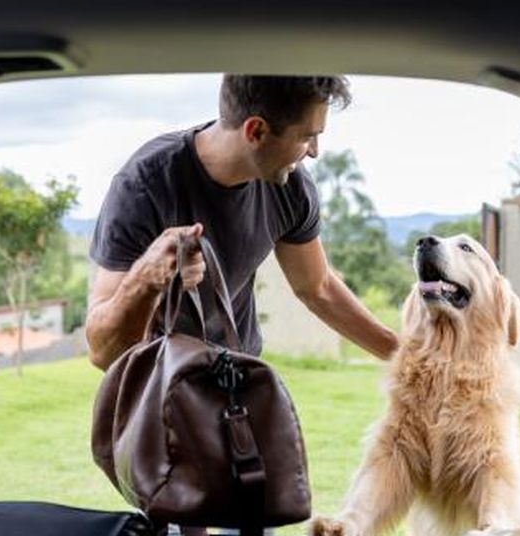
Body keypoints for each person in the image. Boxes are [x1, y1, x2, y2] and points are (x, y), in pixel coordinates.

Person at [86, 75, 398, 370]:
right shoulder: (144, 186)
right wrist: (150, 276)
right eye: (307, 137)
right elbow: (102, 352)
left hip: (237, 379)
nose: (314, 152)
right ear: (256, 132)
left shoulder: (292, 187)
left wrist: (407, 357)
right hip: (157, 385)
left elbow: (318, 288)